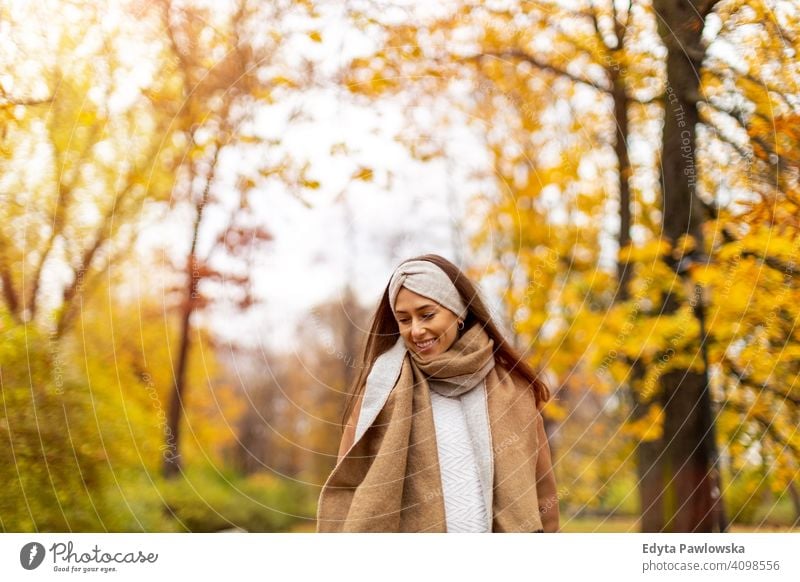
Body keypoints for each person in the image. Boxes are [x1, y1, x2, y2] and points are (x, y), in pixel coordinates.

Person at [316, 254, 559, 532]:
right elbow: (349, 485)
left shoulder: (513, 391)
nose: (416, 330)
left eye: (427, 314)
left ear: (458, 313)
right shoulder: (379, 394)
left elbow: (541, 490)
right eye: (404, 320)